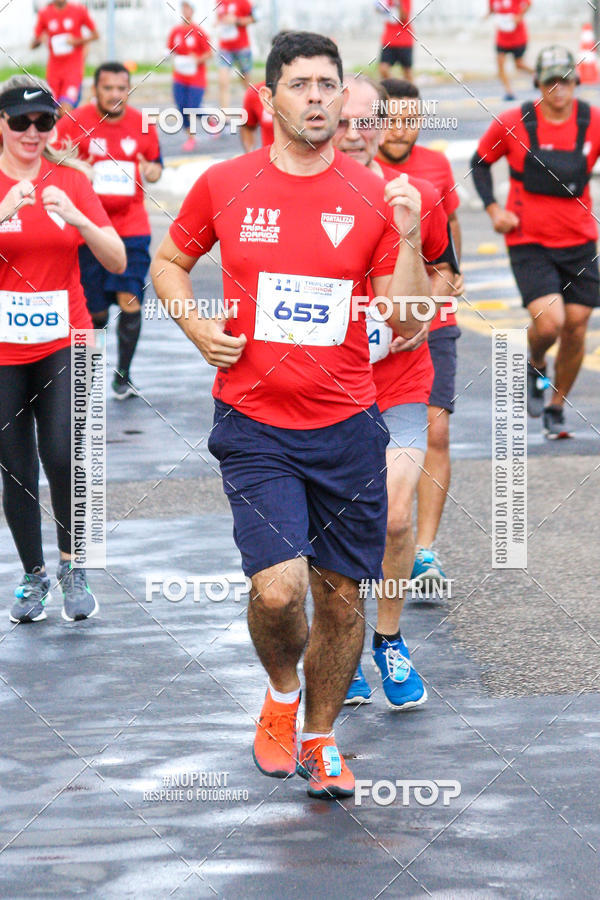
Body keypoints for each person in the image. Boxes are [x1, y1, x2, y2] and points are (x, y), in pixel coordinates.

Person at [151, 32, 434, 800]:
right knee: (278, 591)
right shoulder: (225, 183)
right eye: (301, 84)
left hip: (346, 425)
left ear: (345, 98)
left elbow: (406, 319)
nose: (316, 97)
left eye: (328, 85)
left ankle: (320, 735)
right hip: (255, 425)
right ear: (271, 96)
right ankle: (281, 692)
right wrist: (195, 325)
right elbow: (169, 262)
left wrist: (408, 232)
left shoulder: (375, 194)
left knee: (343, 597)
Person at [332, 75, 459, 707]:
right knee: (338, 523)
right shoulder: (307, 191)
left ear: (382, 127)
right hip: (330, 388)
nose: (357, 132)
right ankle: (341, 645)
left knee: (397, 515)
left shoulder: (420, 192)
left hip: (400, 379)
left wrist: (419, 311)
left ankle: (389, 638)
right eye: (345, 119)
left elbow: (448, 276)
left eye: (367, 121)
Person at [0, 76, 125, 623]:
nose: (32, 132)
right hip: (4, 346)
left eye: (43, 121)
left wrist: (77, 219)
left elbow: (118, 260)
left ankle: (76, 566)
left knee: (64, 454)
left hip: (65, 338)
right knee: (15, 465)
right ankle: (34, 575)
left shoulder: (71, 180)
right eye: (20, 122)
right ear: (1, 124)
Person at [471, 46, 600, 439]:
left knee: (577, 325)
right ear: (538, 85)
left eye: (566, 81)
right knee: (550, 322)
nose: (558, 90)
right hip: (528, 239)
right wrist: (494, 210)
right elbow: (479, 163)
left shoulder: (592, 121)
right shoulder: (515, 122)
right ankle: (535, 362)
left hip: (579, 240)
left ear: (576, 84)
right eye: (550, 82)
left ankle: (557, 406)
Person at [376, 79, 462, 587]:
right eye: (393, 118)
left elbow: (448, 240)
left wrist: (442, 290)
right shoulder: (361, 171)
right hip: (374, 322)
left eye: (412, 119)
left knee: (438, 429)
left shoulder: (436, 168)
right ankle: (383, 534)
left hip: (432, 315)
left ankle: (425, 550)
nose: (403, 129)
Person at [55, 62, 163, 399]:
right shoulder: (74, 122)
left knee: (129, 300)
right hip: (88, 230)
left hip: (132, 229)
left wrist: (152, 171)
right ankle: (86, 378)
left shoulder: (142, 124)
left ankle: (124, 376)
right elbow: (53, 160)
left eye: (121, 88)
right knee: (95, 312)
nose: (115, 94)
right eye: (108, 88)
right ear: (95, 90)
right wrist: (73, 164)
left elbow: (156, 166)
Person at [31, 0, 99, 115]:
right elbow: (33, 43)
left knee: (65, 110)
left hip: (73, 69)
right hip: (54, 70)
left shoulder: (79, 10)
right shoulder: (45, 13)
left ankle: (70, 131)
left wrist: (77, 41)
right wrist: (40, 40)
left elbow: (95, 35)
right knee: (50, 110)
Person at [167, 2, 212, 153]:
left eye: (188, 8)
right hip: (179, 76)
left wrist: (197, 59)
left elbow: (209, 53)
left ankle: (192, 137)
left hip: (196, 78)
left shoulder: (198, 31)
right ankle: (199, 128)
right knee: (181, 108)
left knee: (191, 108)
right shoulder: (176, 31)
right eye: (183, 8)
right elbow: (169, 49)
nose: (186, 11)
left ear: (193, 11)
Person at [486, 0, 533, 101]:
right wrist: (485, 16)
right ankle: (509, 92)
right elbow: (491, 10)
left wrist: (519, 16)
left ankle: (537, 73)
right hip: (502, 38)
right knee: (500, 64)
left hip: (518, 37)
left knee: (519, 64)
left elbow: (529, 4)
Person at [216, 0, 256, 110]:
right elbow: (219, 18)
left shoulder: (243, 2)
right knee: (223, 82)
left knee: (246, 83)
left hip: (242, 48)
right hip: (224, 48)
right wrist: (217, 23)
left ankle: (253, 110)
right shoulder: (219, 2)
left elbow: (254, 18)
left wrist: (236, 20)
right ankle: (225, 115)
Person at [376, 0, 415, 82]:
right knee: (383, 69)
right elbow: (377, 11)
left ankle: (411, 93)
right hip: (389, 40)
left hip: (404, 39)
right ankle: (397, 87)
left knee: (407, 72)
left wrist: (398, 3)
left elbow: (404, 17)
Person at [240, 81, 274, 151]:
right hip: (270, 159)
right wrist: (250, 154)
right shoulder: (255, 92)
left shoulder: (301, 93)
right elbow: (247, 127)